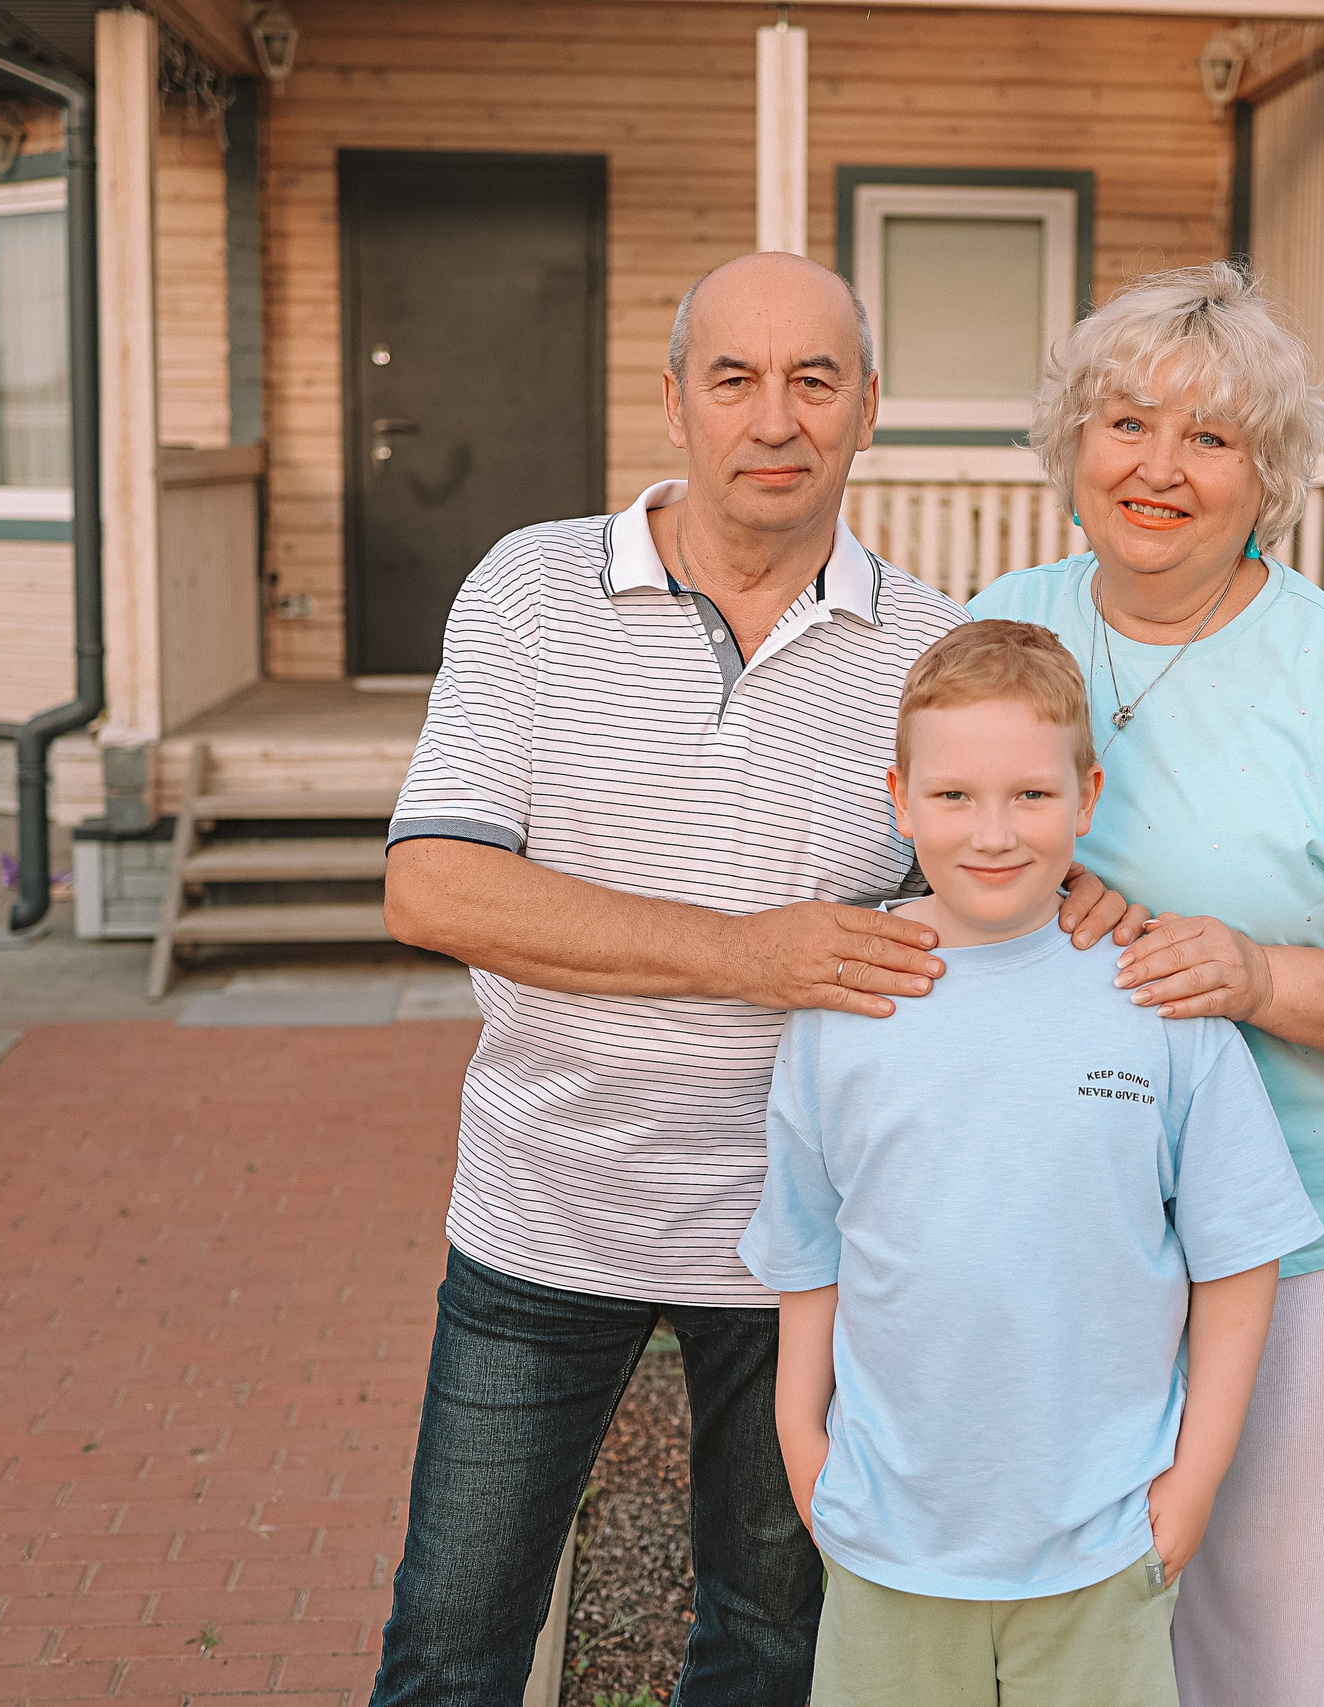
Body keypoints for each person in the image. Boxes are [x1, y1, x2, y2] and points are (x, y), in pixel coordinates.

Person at [373, 252, 1137, 1707]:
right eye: (735, 378)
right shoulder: (532, 588)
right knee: (452, 1644)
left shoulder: (930, 645)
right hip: (546, 1214)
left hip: (816, 1247)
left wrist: (1061, 888)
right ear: (673, 401)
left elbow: (989, 860)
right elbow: (432, 886)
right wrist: (744, 950)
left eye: (813, 380)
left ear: (868, 411)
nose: (773, 419)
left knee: (771, 1647)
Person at [969, 263, 1324, 1707]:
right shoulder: (1000, 629)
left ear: (1266, 475)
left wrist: (1258, 972)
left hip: (1313, 1237)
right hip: (1057, 1231)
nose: (1158, 466)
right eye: (1126, 421)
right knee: (1073, 1633)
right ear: (1071, 444)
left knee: (1285, 1650)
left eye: (1208, 438)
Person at [738, 620, 1321, 1707]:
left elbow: (1236, 1259)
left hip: (1101, 1537)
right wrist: (799, 1440)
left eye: (1031, 797)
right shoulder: (846, 1006)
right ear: (899, 800)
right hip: (887, 1534)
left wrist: (1193, 1481)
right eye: (952, 797)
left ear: (1086, 798)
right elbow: (808, 1247)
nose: (992, 833)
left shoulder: (1157, 1001)